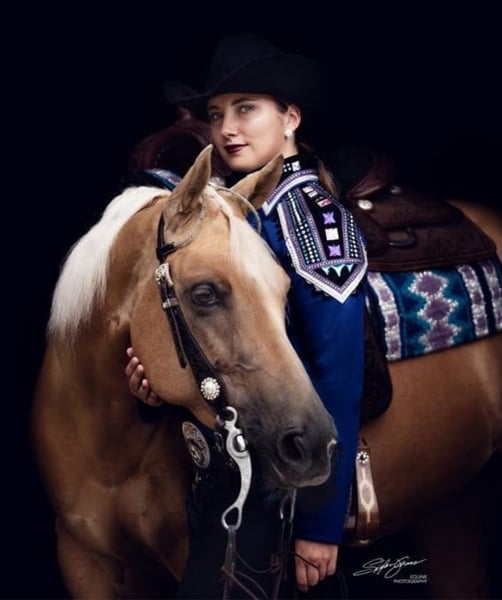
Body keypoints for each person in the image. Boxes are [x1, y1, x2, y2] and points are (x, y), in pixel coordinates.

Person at [125, 32, 368, 597]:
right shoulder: (226, 210)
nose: (227, 129)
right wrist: (152, 387)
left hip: (280, 473)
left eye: (246, 109)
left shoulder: (314, 220)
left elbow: (336, 375)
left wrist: (320, 525)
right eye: (216, 115)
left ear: (290, 118)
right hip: (219, 464)